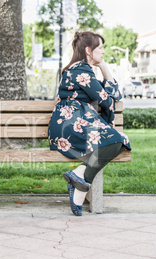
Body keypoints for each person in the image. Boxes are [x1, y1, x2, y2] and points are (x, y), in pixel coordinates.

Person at [48, 31, 131, 216]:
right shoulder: (81, 71)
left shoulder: (79, 69)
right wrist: (103, 69)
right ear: (88, 49)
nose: (102, 52)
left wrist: (102, 66)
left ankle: (79, 176)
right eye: (100, 48)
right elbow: (108, 101)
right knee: (118, 140)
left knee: (119, 141)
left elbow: (113, 96)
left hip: (70, 123)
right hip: (71, 125)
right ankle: (80, 182)